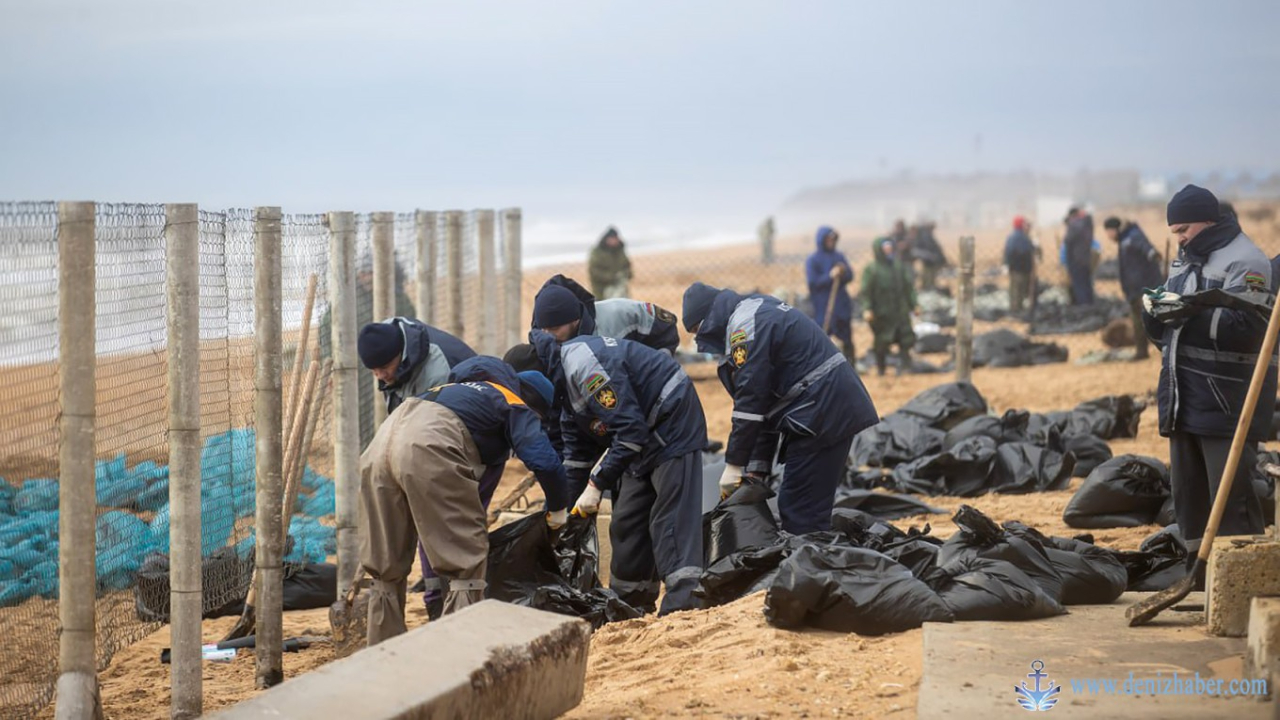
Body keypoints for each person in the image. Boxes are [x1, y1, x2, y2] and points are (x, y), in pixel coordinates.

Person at [358, 358, 569, 644]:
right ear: (532, 403)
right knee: (465, 568)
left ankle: (381, 653)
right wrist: (557, 508)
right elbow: (545, 462)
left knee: (385, 567)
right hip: (428, 445)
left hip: (379, 447)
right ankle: (460, 654)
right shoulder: (511, 399)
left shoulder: (452, 390)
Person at [530, 331, 707, 615]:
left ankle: (683, 606)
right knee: (627, 521)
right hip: (636, 438)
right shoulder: (564, 387)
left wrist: (597, 484)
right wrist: (562, 511)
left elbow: (630, 432)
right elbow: (576, 457)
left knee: (669, 519)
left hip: (672, 422)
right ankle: (629, 605)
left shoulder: (584, 368)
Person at [681, 282, 879, 535]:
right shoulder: (750, 311)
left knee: (800, 508)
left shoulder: (745, 328)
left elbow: (750, 403)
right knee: (805, 504)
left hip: (823, 411)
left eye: (699, 329)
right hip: (823, 407)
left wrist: (733, 464)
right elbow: (764, 408)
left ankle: (810, 567)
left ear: (710, 316)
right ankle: (814, 560)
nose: (700, 338)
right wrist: (756, 470)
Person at [1142, 184, 1272, 560]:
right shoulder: (1185, 258)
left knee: (1231, 499)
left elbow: (1250, 328)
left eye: (1184, 228)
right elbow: (1172, 324)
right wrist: (1155, 314)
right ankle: (1199, 581)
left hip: (1227, 400)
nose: (1179, 237)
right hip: (1183, 397)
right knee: (1189, 500)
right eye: (1175, 232)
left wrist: (1189, 314)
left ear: (1208, 219)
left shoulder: (1246, 261)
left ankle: (1240, 582)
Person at [318, 253, 417, 448]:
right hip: (355, 369)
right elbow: (326, 329)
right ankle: (365, 453)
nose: (367, 277)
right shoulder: (348, 298)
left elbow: (411, 328)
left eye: (371, 273)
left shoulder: (397, 297)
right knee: (360, 415)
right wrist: (328, 363)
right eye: (363, 273)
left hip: (392, 369)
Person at [531, 275, 680, 354]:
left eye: (555, 328)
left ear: (575, 320)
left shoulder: (618, 314)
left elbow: (666, 325)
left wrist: (656, 371)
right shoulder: (541, 343)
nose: (547, 335)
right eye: (544, 328)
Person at [357, 316, 476, 415]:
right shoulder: (389, 335)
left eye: (384, 367)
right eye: (373, 370)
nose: (380, 376)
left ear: (400, 353)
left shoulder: (437, 374)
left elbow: (437, 431)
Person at [1103, 216, 1163, 360]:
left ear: (1115, 229)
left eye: (1109, 232)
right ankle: (1141, 352)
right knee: (1139, 321)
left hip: (1145, 287)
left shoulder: (1132, 237)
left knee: (1153, 320)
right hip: (1134, 289)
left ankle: (1163, 350)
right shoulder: (1125, 240)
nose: (1108, 236)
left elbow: (1145, 247)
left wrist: (1152, 254)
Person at [861, 238, 917, 376]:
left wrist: (914, 304)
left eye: (890, 248)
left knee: (905, 338)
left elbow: (908, 287)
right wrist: (867, 308)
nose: (888, 251)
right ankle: (882, 369)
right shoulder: (872, 270)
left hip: (900, 311)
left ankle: (905, 367)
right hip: (882, 313)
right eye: (885, 249)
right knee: (881, 342)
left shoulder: (898, 267)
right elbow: (866, 292)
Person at [804, 226, 855, 361]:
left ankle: (851, 365)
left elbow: (850, 276)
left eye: (833, 239)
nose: (831, 242)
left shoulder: (839, 257)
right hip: (823, 305)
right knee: (824, 338)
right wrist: (830, 276)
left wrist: (843, 272)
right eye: (828, 239)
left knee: (846, 338)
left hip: (841, 305)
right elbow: (813, 283)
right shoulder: (813, 260)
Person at [588, 226, 633, 299]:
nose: (614, 241)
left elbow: (627, 265)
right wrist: (612, 277)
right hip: (602, 290)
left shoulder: (620, 251)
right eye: (612, 239)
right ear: (606, 239)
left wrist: (625, 275)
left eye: (615, 238)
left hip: (620, 289)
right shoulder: (597, 253)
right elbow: (594, 272)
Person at [1063, 207, 1096, 305]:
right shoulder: (1087, 224)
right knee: (1086, 283)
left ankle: (1083, 306)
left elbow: (1068, 241)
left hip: (1076, 260)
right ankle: (1089, 304)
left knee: (1079, 284)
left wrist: (1069, 223)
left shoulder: (1074, 226)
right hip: (1086, 259)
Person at [1004, 216, 1037, 314]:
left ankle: (1017, 309)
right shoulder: (1019, 237)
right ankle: (1016, 310)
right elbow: (1024, 251)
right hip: (1019, 268)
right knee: (1017, 290)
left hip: (1018, 268)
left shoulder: (1018, 236)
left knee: (1017, 290)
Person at [912, 221, 948, 291]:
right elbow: (929, 248)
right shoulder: (925, 236)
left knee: (928, 278)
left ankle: (927, 289)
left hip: (929, 262)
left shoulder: (924, 235)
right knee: (928, 278)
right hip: (930, 262)